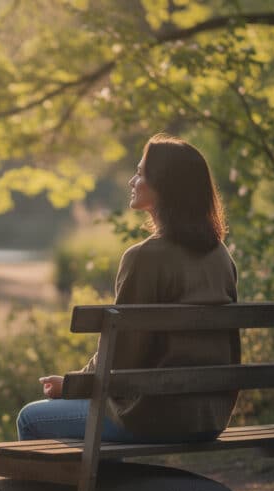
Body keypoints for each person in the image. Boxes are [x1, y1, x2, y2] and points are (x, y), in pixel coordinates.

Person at [16, 133, 241, 443]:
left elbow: (120, 357)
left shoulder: (144, 257)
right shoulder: (220, 256)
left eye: (140, 173)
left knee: (30, 418)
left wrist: (70, 386)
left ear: (165, 185)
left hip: (152, 417)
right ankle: (107, 476)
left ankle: (92, 477)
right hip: (211, 417)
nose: (132, 181)